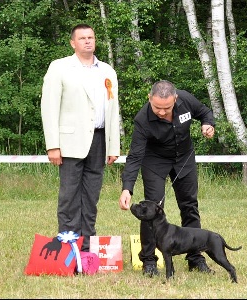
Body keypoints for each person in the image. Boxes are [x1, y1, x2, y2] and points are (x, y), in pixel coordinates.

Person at [118, 80, 215, 277]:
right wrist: (127, 188)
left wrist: (208, 124)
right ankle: (148, 261)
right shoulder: (142, 119)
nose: (161, 112)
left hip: (184, 159)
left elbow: (205, 112)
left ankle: (195, 258)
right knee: (150, 210)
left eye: (167, 108)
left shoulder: (186, 100)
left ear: (176, 99)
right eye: (157, 108)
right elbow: (135, 156)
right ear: (149, 99)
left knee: (189, 206)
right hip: (155, 162)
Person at [41, 24, 120, 252]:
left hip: (99, 140)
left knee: (91, 198)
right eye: (82, 38)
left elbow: (112, 109)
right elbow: (49, 108)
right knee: (69, 197)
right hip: (69, 144)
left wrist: (113, 145)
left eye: (91, 37)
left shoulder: (108, 71)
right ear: (72, 43)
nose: (88, 41)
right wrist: (53, 145)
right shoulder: (59, 68)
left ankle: (87, 249)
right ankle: (68, 247)